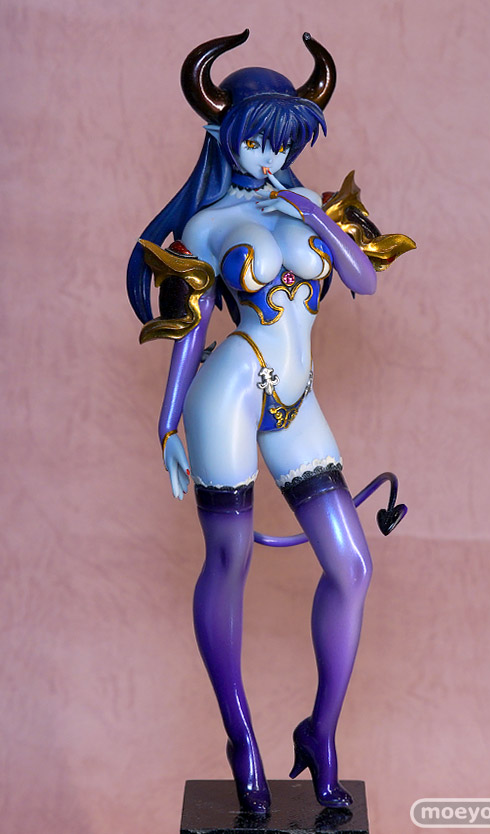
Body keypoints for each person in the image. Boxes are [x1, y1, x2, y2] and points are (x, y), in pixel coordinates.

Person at [127, 30, 411, 814]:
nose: (268, 156)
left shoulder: (309, 203)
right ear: (224, 136)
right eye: (255, 141)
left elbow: (363, 281)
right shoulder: (207, 224)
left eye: (282, 143)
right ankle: (241, 739)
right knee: (228, 560)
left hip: (297, 398)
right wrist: (168, 421)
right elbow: (191, 329)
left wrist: (308, 212)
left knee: (351, 566)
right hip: (230, 389)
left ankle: (320, 733)